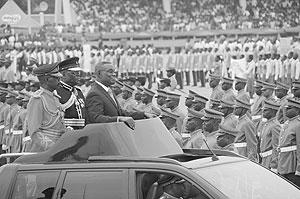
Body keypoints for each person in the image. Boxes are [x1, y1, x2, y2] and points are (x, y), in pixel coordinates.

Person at [85, 61, 148, 128]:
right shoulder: (94, 93)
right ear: (99, 73)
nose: (114, 74)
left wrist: (143, 114)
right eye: (110, 71)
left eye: (114, 72)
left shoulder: (108, 90)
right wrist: (118, 119)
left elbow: (120, 112)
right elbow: (95, 118)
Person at [26, 62, 66, 152]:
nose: (60, 81)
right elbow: (34, 132)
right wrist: (53, 148)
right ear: (47, 79)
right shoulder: (38, 99)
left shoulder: (55, 98)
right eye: (57, 78)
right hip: (43, 151)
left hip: (58, 148)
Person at [55, 57, 86, 129]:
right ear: (63, 75)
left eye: (78, 72)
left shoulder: (78, 92)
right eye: (74, 73)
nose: (78, 75)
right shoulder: (57, 91)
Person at [277, 98, 300, 187]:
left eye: (290, 108)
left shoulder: (298, 124)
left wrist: (299, 169)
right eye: (286, 107)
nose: (286, 109)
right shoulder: (287, 123)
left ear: (297, 110)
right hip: (283, 164)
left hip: (292, 166)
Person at [259, 100, 281, 171]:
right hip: (265, 158)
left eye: (266, 110)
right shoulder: (267, 124)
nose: (263, 112)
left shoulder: (275, 125)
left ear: (272, 111)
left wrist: (274, 165)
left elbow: (276, 147)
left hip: (270, 159)